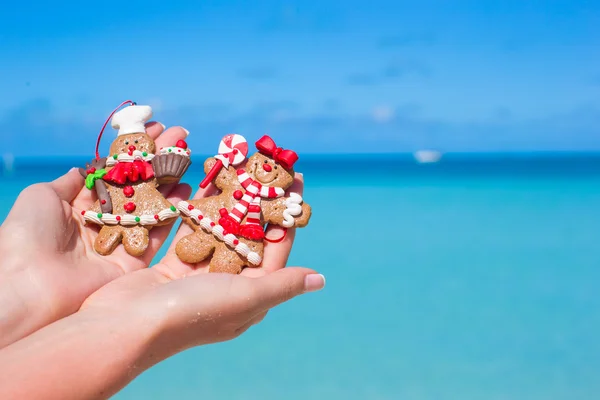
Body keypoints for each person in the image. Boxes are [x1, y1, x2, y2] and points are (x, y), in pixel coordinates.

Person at [0, 122, 325, 399]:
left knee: (222, 259)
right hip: (200, 217)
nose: (266, 169)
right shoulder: (116, 171)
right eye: (263, 163)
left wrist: (286, 209)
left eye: (274, 168)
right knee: (191, 245)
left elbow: (270, 206)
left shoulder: (268, 196)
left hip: (242, 234)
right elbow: (220, 172)